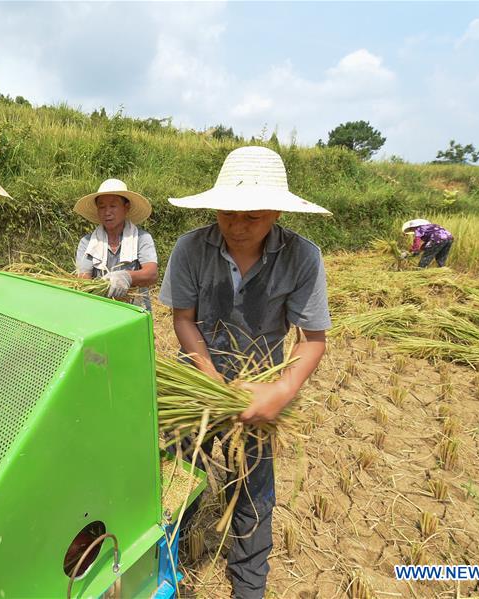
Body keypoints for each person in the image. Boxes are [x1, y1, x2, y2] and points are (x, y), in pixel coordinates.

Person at [159, 146, 332, 598]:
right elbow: (183, 318)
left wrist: (281, 390)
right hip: (196, 383)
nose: (237, 226)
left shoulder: (302, 257)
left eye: (252, 217)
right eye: (228, 213)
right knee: (178, 477)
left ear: (276, 211)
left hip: (258, 392)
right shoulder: (191, 248)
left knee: (254, 492)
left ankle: (249, 584)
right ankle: (168, 561)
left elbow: (312, 340)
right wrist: (208, 375)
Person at [73, 179, 158, 309]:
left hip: (135, 312)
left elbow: (151, 274)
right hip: (100, 310)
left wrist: (126, 277)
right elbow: (84, 281)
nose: (107, 212)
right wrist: (103, 286)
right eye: (102, 207)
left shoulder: (141, 238)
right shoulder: (88, 243)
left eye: (113, 206)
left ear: (126, 207)